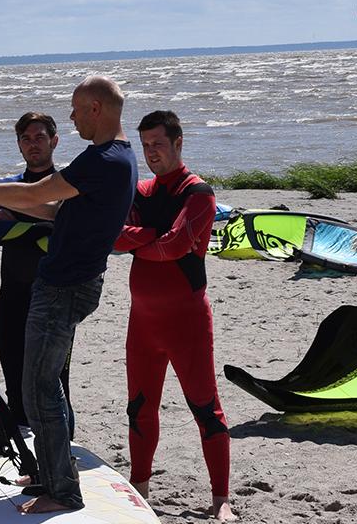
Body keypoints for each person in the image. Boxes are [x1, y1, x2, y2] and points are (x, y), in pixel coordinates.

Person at [0, 76, 136, 514]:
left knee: (41, 390)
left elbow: (39, 192)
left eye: (74, 108)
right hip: (69, 283)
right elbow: (52, 208)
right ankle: (52, 469)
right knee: (38, 388)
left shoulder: (103, 159)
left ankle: (62, 491)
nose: (70, 115)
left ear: (96, 109)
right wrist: (0, 203)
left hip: (64, 287)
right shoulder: (117, 156)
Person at [113, 110, 233, 521]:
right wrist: (149, 237)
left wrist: (138, 240)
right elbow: (113, 237)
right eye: (145, 146)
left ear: (179, 143)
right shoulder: (142, 193)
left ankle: (221, 500)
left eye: (158, 145)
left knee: (205, 407)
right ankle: (140, 488)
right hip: (142, 323)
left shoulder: (198, 193)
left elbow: (176, 246)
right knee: (139, 407)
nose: (151, 154)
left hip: (187, 324)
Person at [0, 113, 64, 432]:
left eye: (40, 137)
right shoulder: (7, 186)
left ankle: (60, 455)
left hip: (53, 298)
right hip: (12, 296)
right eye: (26, 139)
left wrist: (17, 218)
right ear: (18, 145)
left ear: (54, 141)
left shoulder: (66, 185)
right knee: (15, 382)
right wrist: (44, 226)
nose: (33, 144)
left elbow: (62, 237)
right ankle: (24, 456)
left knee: (55, 383)